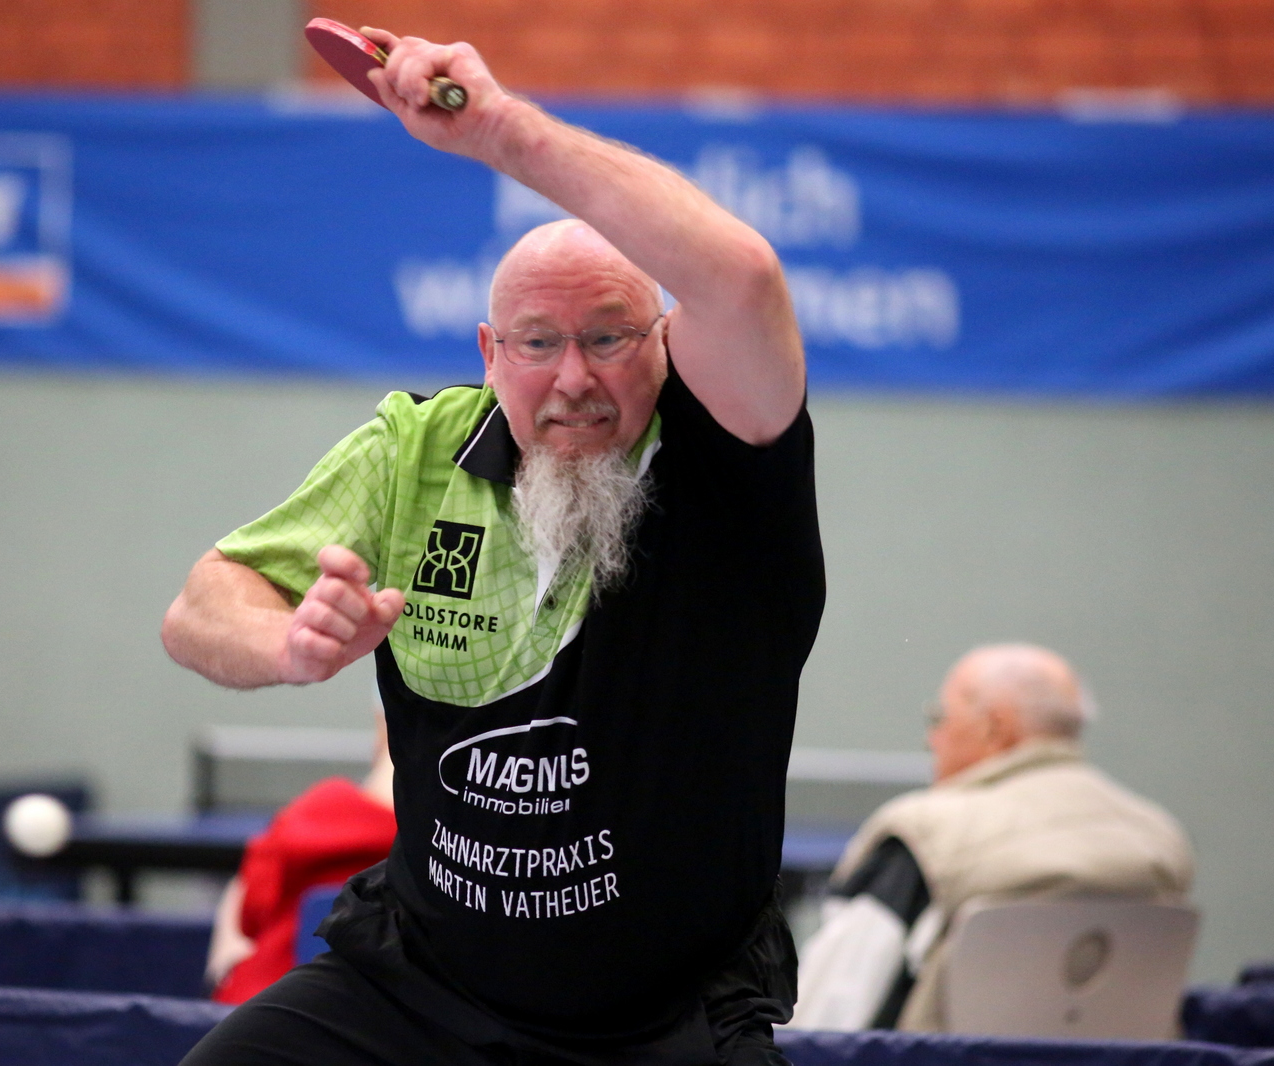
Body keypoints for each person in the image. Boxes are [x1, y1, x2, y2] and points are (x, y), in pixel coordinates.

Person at [161, 25, 825, 1066]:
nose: (573, 377)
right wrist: (287, 645)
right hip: (421, 990)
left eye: (608, 336)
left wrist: (501, 133)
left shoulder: (726, 453)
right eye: (538, 342)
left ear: (664, 339)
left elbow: (741, 277)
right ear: (489, 351)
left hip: (668, 1018)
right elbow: (201, 604)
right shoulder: (417, 449)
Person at [790, 643, 1194, 1032]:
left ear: (992, 727)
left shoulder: (927, 831)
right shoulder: (1160, 837)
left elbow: (825, 1013)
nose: (931, 739)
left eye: (940, 718)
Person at [206, 715, 397, 1004]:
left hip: (260, 1006)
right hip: (380, 1019)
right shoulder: (447, 847)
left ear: (382, 731)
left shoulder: (315, 810)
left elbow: (250, 915)